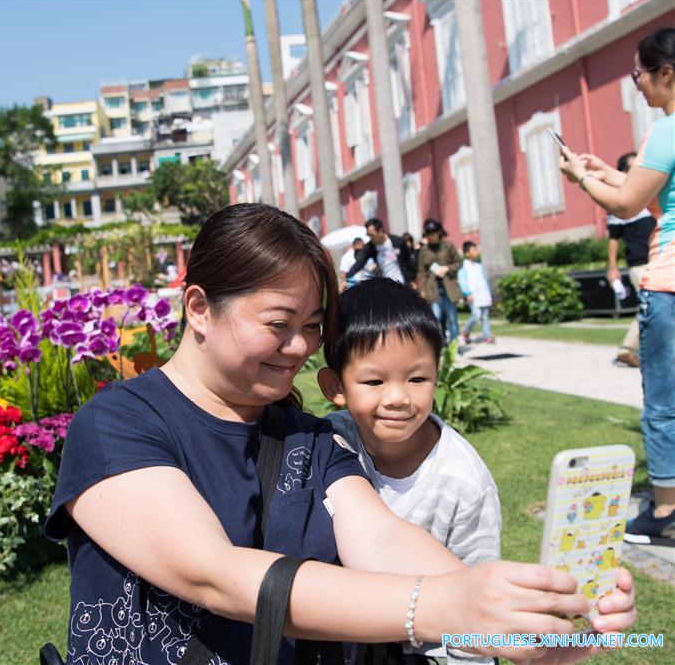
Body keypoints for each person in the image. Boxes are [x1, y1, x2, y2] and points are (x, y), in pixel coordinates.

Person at [45, 203, 636, 664]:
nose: (302, 347)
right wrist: (443, 605)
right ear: (199, 308)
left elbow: (379, 538)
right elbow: (215, 573)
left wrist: (504, 613)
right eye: (279, 324)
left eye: (311, 325)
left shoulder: (314, 438)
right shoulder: (117, 425)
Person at [318, 278, 500, 664]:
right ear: (335, 385)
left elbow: (478, 602)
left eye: (417, 379)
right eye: (374, 381)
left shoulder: (464, 482)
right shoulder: (326, 444)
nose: (398, 398)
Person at [558, 26, 675, 543]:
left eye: (639, 75)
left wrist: (581, 179)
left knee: (663, 403)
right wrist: (605, 170)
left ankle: (667, 512)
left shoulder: (666, 129)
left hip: (669, 282)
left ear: (666, 74)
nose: (637, 86)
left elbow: (627, 205)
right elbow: (648, 193)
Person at [605, 152, 657, 369]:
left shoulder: (648, 194)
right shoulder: (620, 201)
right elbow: (613, 239)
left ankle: (630, 350)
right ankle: (626, 350)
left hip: (657, 259)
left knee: (654, 306)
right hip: (640, 263)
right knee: (651, 307)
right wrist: (612, 268)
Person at [417, 219, 462, 345]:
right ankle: (440, 346)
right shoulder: (424, 250)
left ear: (439, 232)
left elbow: (459, 263)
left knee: (452, 319)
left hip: (449, 287)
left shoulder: (448, 246)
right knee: (436, 318)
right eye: (428, 233)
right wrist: (422, 289)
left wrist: (447, 268)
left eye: (433, 232)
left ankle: (454, 347)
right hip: (433, 289)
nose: (431, 236)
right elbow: (421, 272)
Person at [344, 218, 417, 286]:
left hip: (402, 284)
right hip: (385, 286)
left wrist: (412, 279)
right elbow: (360, 263)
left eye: (372, 235)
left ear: (380, 231)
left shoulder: (398, 242)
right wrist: (347, 275)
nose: (370, 238)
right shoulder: (370, 247)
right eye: (368, 235)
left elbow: (408, 261)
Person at [459, 242, 494, 345]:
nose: (476, 252)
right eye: (474, 250)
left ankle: (487, 335)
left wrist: (489, 292)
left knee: (485, 316)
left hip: (483, 295)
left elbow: (485, 280)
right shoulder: (463, 268)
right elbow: (463, 281)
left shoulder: (479, 266)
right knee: (476, 315)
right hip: (473, 296)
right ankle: (466, 330)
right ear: (467, 253)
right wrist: (467, 293)